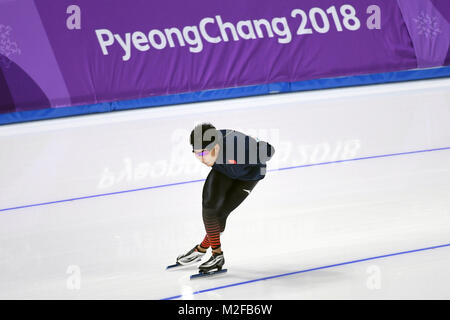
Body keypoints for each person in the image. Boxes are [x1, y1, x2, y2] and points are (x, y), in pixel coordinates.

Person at [176, 123, 275, 273]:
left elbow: (269, 149)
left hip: (247, 177)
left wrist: (258, 152)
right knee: (209, 208)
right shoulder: (212, 149)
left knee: (221, 213)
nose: (201, 159)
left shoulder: (239, 148)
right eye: (196, 153)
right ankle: (215, 254)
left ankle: (203, 249)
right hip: (224, 171)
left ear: (215, 147)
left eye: (204, 153)